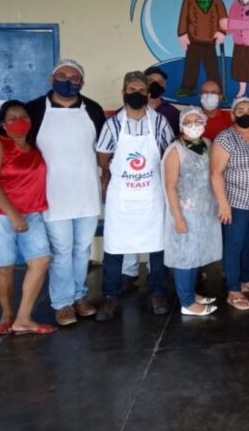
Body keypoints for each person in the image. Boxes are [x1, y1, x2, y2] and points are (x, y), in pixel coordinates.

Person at [0, 58, 105, 327]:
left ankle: (79, 296)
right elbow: (10, 131)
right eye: (61, 75)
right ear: (50, 78)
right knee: (61, 250)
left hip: (86, 190)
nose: (67, 80)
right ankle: (62, 303)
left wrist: (107, 176)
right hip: (52, 195)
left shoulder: (93, 109)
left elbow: (105, 144)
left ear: (82, 82)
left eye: (74, 77)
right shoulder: (34, 109)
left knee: (82, 249)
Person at [95, 71, 176, 321]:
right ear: (123, 92)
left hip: (152, 195)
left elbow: (169, 152)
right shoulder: (113, 124)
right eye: (132, 90)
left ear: (148, 92)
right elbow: (103, 155)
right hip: (123, 198)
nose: (137, 94)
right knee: (114, 248)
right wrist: (110, 176)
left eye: (141, 90)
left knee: (157, 246)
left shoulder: (159, 122)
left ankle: (157, 292)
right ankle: (110, 296)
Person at [0, 100, 55, 336]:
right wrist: (13, 214)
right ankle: (7, 313)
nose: (19, 121)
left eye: (23, 116)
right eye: (12, 118)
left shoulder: (34, 144)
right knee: (5, 267)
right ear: (3, 124)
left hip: (32, 211)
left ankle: (23, 318)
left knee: (40, 261)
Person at [121, 65, 182, 289]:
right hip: (130, 182)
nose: (155, 85)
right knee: (128, 226)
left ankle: (160, 274)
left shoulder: (171, 113)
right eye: (151, 81)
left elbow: (177, 145)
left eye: (160, 82)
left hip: (159, 180)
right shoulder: (122, 115)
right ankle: (129, 271)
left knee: (159, 226)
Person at [210, 97, 249, 311]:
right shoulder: (226, 138)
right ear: (233, 114)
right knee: (234, 245)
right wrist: (223, 204)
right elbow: (215, 172)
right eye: (240, 110)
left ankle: (246, 280)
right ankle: (233, 289)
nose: (246, 113)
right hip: (235, 202)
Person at [163, 106, 223, 316]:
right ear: (181, 125)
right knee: (184, 257)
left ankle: (191, 292)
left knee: (196, 254)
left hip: (204, 210)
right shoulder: (175, 150)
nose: (194, 125)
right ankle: (187, 302)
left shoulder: (207, 144)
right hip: (184, 211)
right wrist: (178, 217)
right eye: (188, 122)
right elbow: (170, 186)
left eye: (198, 120)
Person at [175, 0, 228, 97]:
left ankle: (217, 89)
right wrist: (182, 34)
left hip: (210, 42)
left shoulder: (218, 2)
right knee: (191, 65)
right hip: (193, 41)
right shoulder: (188, 1)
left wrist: (222, 32)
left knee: (212, 67)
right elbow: (183, 19)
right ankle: (187, 86)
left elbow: (224, 20)